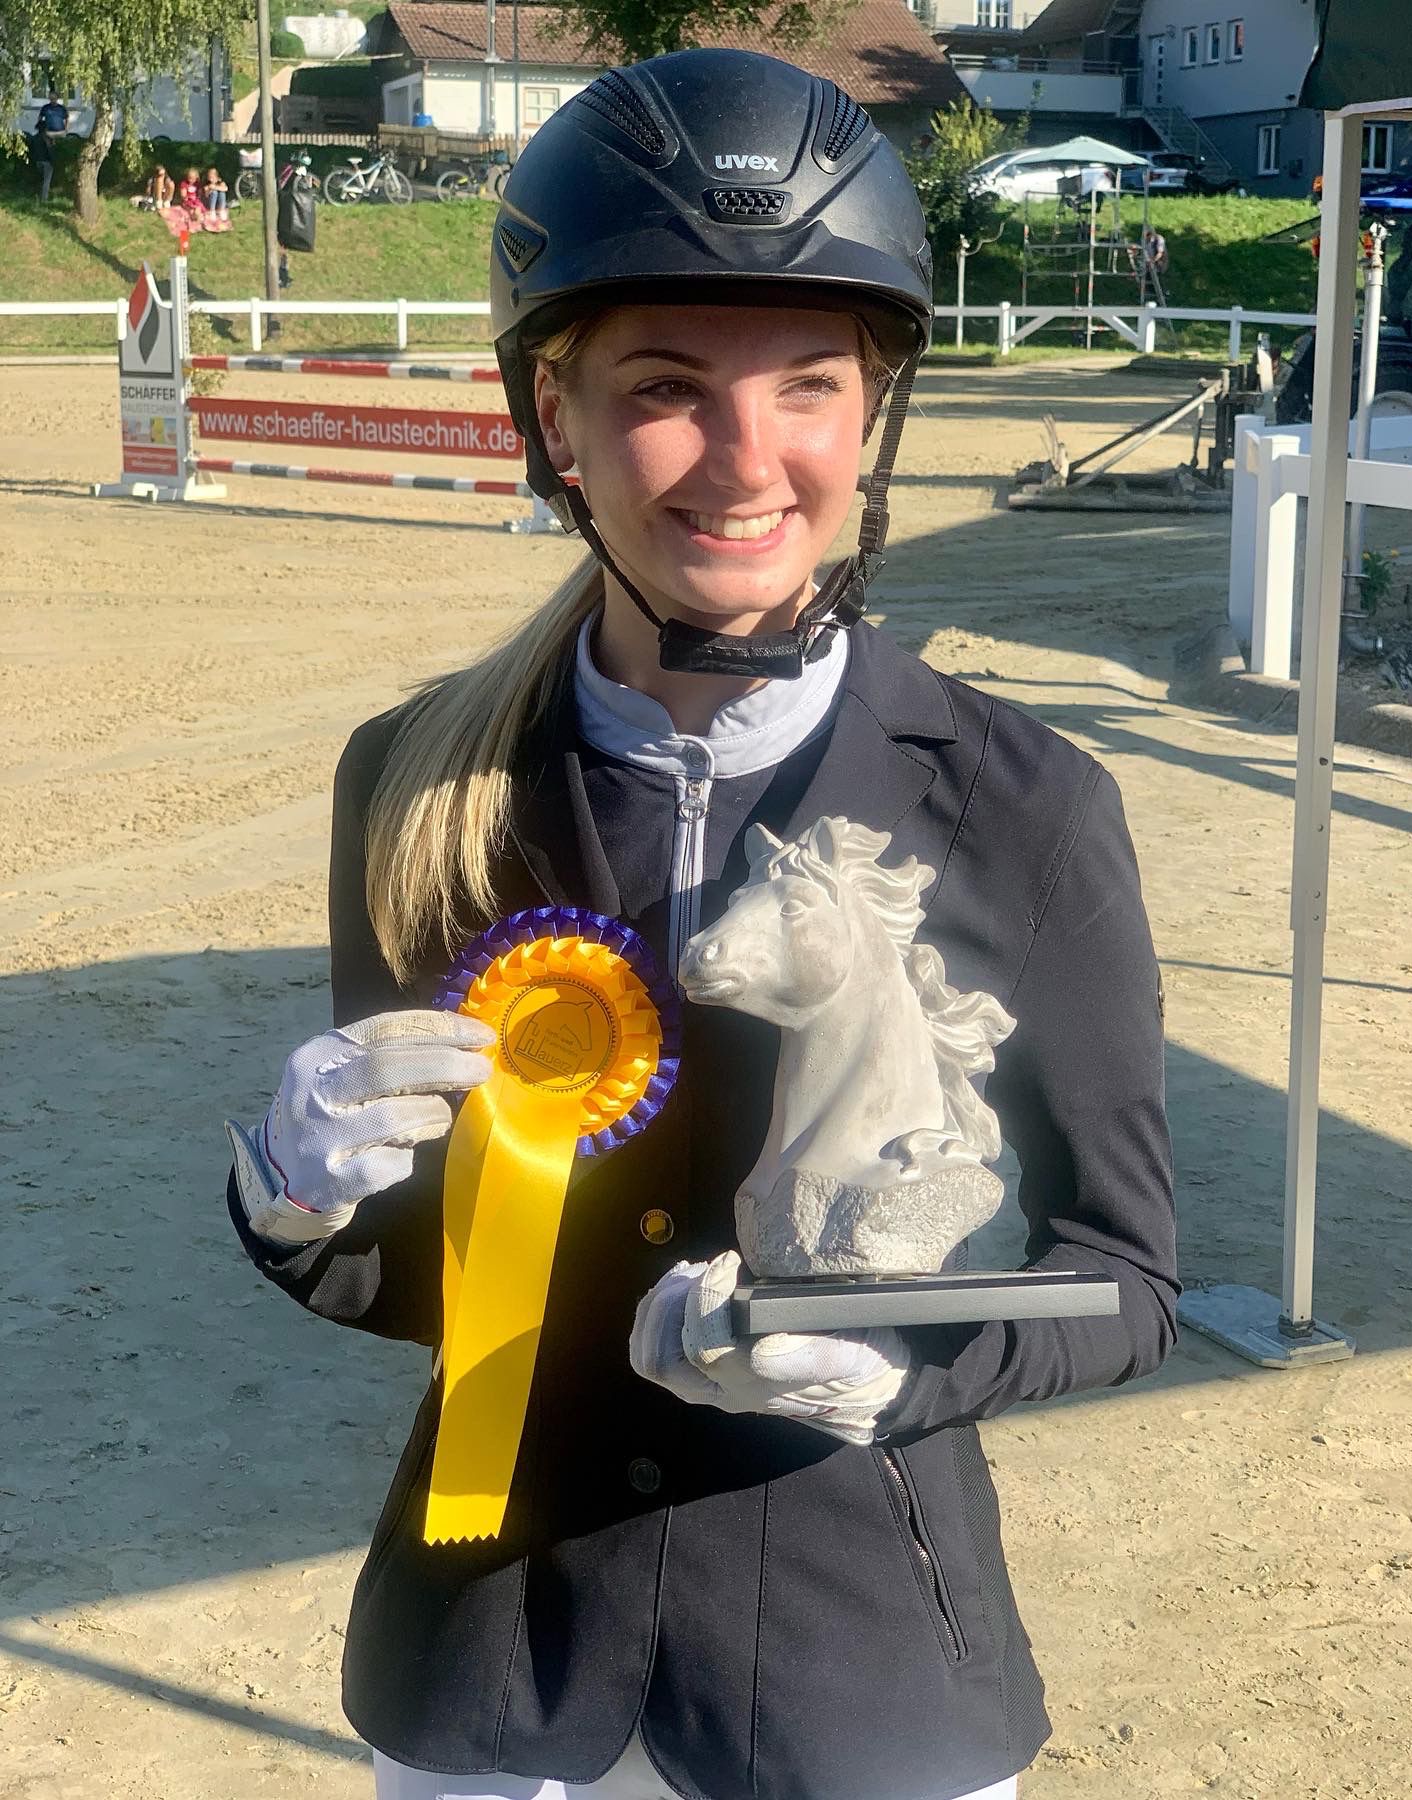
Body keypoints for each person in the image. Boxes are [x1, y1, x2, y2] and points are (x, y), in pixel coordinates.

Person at [224, 48, 1177, 1800]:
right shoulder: (413, 783)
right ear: (554, 417)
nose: (747, 460)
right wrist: (293, 1201)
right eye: (666, 387)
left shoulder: (1034, 807)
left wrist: (899, 1373)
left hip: (861, 1672)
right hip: (497, 1672)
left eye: (808, 385)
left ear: (872, 418)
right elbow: (426, 1279)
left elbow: (1124, 1281)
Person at [31, 89, 68, 203]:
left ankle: (39, 195)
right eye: (50, 98)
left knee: (41, 178)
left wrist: (66, 130)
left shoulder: (61, 109)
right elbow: (48, 150)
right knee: (46, 179)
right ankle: (44, 199)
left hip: (57, 132)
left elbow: (66, 118)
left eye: (54, 98)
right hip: (46, 156)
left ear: (57, 98)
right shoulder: (46, 108)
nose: (52, 100)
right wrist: (53, 161)